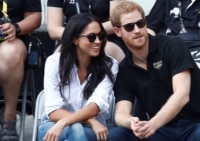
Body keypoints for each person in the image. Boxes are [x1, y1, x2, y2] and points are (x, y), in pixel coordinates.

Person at [108, 1, 200, 141]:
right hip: (160, 132)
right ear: (118, 31)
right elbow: (120, 114)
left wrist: (153, 124)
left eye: (141, 23)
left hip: (196, 126)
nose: (137, 30)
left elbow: (182, 95)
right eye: (130, 27)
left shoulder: (173, 45)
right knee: (116, 135)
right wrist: (132, 123)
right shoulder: (125, 68)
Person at [37, 13, 119, 141]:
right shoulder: (54, 62)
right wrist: (90, 121)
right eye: (91, 37)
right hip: (53, 125)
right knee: (76, 128)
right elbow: (53, 111)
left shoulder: (110, 65)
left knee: (77, 129)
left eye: (101, 36)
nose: (98, 41)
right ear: (75, 39)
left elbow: (96, 105)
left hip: (91, 131)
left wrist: (65, 122)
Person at [0, 0, 41, 141]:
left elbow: (35, 16)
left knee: (10, 53)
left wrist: (15, 28)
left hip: (13, 40)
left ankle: (9, 118)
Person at [47, 0, 125, 63]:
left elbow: (116, 22)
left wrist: (89, 32)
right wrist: (80, 35)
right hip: (72, 40)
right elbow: (53, 30)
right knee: (56, 59)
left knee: (102, 53)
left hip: (105, 38)